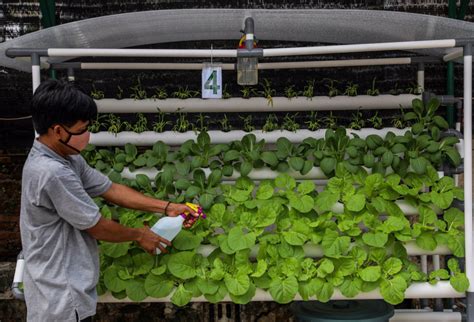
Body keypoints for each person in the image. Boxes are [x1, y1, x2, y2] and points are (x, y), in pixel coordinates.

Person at [20, 79, 197, 322]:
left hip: (61, 285)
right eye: (82, 130)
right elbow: (97, 226)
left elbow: (110, 188)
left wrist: (167, 207)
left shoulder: (66, 157)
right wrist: (140, 235)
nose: (87, 136)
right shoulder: (52, 172)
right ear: (58, 130)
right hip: (60, 293)